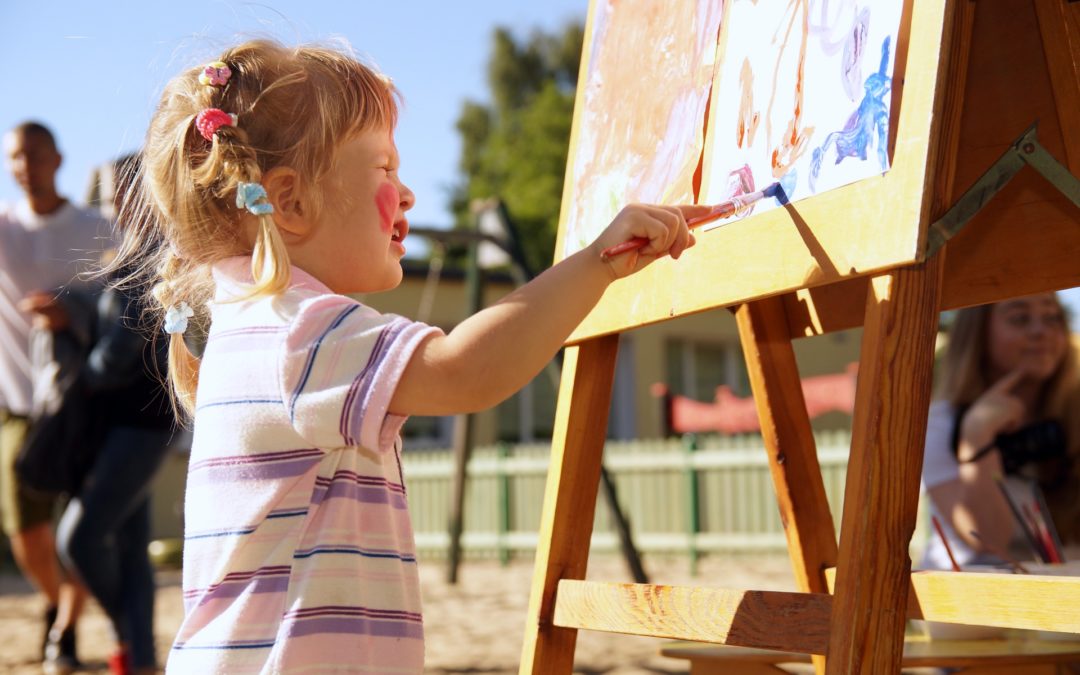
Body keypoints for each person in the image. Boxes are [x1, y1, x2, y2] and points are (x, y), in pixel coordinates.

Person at [109, 40, 704, 673]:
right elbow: (466, 372)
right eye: (384, 169)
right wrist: (595, 264)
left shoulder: (252, 325)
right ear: (291, 202)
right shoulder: (295, 331)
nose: (408, 193)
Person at [29, 153, 174, 675]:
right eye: (110, 195)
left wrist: (82, 376)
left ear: (150, 191)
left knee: (80, 537)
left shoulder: (158, 255)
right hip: (123, 424)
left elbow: (122, 347)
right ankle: (138, 656)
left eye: (122, 194)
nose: (113, 205)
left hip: (142, 423)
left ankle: (134, 639)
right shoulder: (129, 253)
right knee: (131, 553)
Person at [0, 121, 107, 671]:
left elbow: (124, 305)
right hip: (18, 401)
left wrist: (73, 315)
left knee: (81, 525)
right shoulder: (4, 227)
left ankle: (64, 629)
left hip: (84, 402)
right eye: (16, 156)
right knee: (24, 525)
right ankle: (54, 603)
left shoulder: (95, 227)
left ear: (58, 158)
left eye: (36, 155)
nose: (26, 165)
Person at [920, 293, 1080, 571]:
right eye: (1020, 319)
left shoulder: (1073, 414)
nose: (1040, 331)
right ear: (977, 335)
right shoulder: (942, 424)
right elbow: (988, 538)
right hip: (974, 599)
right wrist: (977, 438)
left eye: (1052, 317)